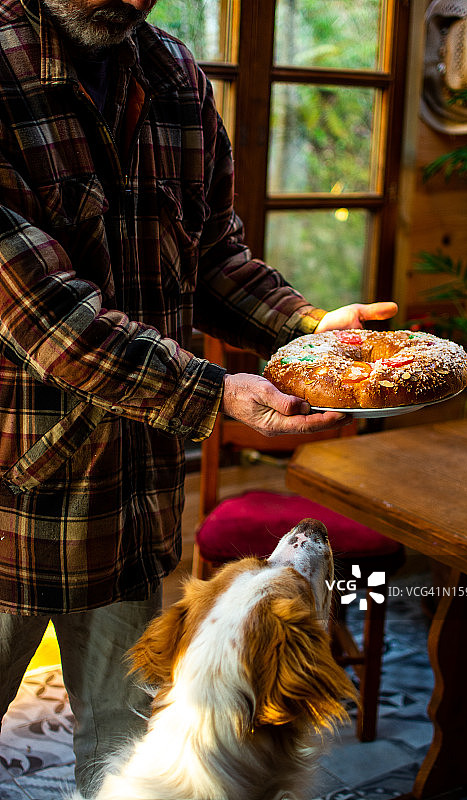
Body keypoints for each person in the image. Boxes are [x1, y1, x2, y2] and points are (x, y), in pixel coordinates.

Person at [0, 0, 398, 795]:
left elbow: (213, 257)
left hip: (133, 498)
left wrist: (310, 333)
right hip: (10, 499)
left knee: (134, 754)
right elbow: (41, 310)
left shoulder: (175, 74)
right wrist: (214, 393)